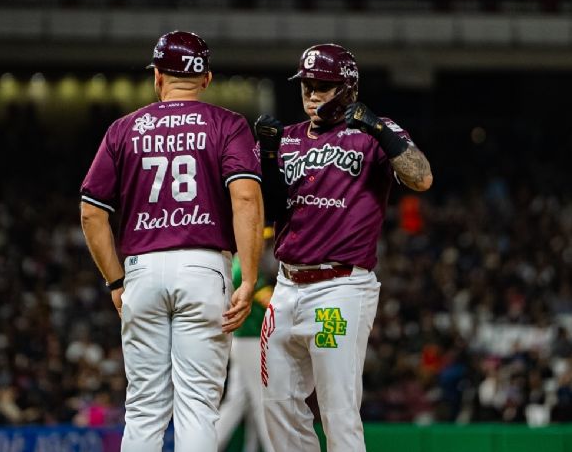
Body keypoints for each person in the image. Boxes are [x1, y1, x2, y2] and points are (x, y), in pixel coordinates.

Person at [80, 30, 264, 452]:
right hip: (203, 266)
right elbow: (247, 197)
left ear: (158, 76)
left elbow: (91, 212)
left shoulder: (124, 129)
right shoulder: (228, 124)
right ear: (206, 79)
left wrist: (114, 282)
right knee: (197, 406)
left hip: (142, 268)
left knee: (144, 408)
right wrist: (249, 278)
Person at [254, 44, 433, 452]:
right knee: (279, 407)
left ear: (348, 88)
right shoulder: (288, 138)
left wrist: (377, 128)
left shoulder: (372, 134)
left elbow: (421, 178)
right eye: (307, 85)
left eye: (324, 86)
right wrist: (266, 155)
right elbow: (270, 210)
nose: (312, 94)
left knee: (337, 411)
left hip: (339, 288)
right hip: (286, 287)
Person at [215, 227, 276, 452]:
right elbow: (270, 302)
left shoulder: (239, 262)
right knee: (263, 400)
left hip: (242, 340)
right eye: (262, 240)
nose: (264, 245)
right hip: (250, 340)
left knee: (237, 401)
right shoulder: (247, 267)